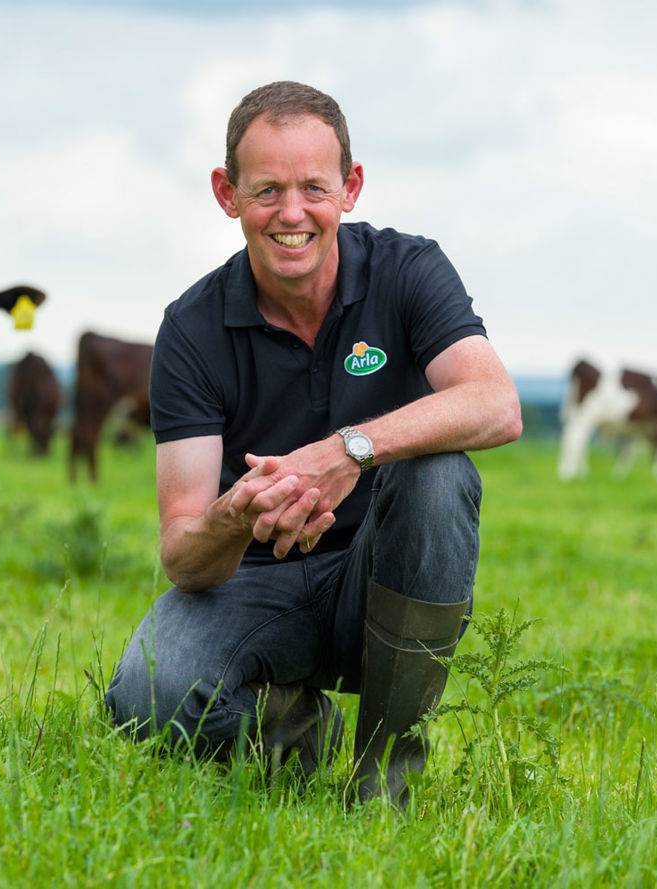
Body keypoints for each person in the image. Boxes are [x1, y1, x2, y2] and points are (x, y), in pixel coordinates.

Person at [104, 80, 522, 805]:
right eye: (266, 190)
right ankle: (299, 725)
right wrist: (232, 516)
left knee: (438, 472)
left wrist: (347, 449)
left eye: (312, 188)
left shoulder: (407, 270)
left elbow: (497, 403)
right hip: (255, 578)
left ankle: (385, 777)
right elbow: (182, 553)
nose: (291, 213)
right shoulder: (192, 328)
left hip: (384, 575)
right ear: (226, 193)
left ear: (350, 187)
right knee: (146, 697)